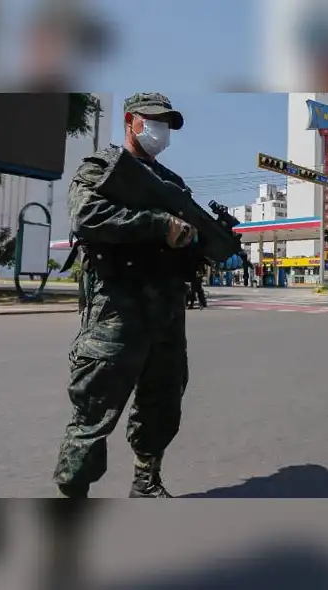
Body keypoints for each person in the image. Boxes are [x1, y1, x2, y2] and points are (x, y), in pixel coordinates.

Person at [53, 92, 197, 498]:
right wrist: (156, 225)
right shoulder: (101, 167)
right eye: (155, 121)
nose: (162, 130)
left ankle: (146, 483)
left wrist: (199, 241)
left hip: (166, 313)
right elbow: (86, 216)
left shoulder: (173, 183)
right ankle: (72, 494)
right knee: (93, 410)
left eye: (167, 124)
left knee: (163, 403)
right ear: (131, 120)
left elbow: (186, 233)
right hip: (115, 310)